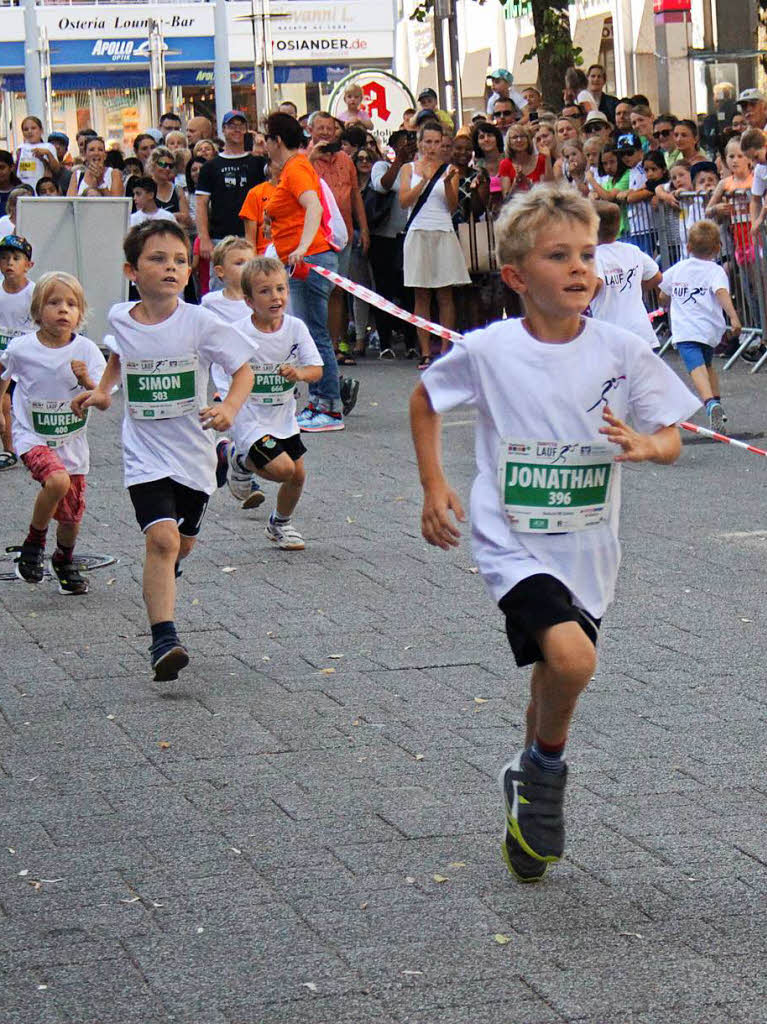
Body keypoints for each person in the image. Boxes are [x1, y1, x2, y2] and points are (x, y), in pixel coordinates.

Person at [409, 183, 699, 883]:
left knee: (556, 666)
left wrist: (643, 445)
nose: (579, 269)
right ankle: (545, 771)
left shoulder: (622, 351)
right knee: (570, 660)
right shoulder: (488, 350)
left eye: (587, 254)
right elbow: (424, 399)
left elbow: (672, 437)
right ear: (514, 276)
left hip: (589, 545)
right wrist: (434, 485)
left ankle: (528, 777)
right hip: (509, 537)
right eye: (557, 255)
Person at [71, 220, 257, 681]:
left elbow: (244, 370)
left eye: (178, 260)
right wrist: (102, 391)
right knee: (162, 539)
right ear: (131, 270)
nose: (170, 268)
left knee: (182, 544)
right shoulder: (119, 316)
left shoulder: (201, 321)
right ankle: (164, 640)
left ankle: (163, 582)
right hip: (145, 454)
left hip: (195, 454)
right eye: (157, 259)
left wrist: (230, 408)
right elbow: (119, 355)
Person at [0, 271, 105, 593]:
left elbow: (104, 399)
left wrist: (87, 382)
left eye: (71, 304)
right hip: (32, 436)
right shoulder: (21, 348)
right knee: (55, 480)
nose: (63, 310)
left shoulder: (86, 351)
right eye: (54, 302)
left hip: (72, 444)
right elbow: (4, 375)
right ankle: (34, 544)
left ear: (80, 313)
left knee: (71, 519)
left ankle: (63, 559)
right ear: (37, 311)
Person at [217, 257, 324, 551]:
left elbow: (317, 369)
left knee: (297, 476)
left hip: (283, 417)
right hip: (249, 417)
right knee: (283, 470)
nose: (275, 297)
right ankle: (240, 458)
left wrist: (299, 373)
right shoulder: (239, 332)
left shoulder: (296, 328)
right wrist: (225, 401)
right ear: (249, 300)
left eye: (281, 289)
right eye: (265, 291)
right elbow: (221, 368)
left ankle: (280, 524)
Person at [262, 112, 345, 432]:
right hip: (301, 261)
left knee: (315, 334)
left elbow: (314, 206)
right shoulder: (296, 167)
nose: (264, 145)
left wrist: (302, 246)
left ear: (277, 141)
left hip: (308, 262)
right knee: (310, 332)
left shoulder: (296, 168)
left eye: (267, 139)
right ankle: (318, 402)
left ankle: (330, 407)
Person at [399, 121, 469, 369]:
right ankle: (426, 351)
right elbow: (404, 202)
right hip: (418, 232)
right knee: (421, 293)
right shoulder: (409, 168)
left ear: (442, 144)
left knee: (445, 293)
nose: (431, 147)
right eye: (426, 142)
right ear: (419, 143)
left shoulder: (450, 170)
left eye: (436, 142)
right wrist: (423, 181)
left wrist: (450, 183)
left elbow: (452, 207)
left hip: (443, 231)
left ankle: (446, 349)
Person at [659, 219, 741, 432]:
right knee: (708, 365)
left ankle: (710, 404)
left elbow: (663, 293)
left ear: (688, 247)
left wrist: (665, 302)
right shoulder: (716, 271)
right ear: (717, 248)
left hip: (685, 329)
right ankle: (718, 405)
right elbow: (721, 293)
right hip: (709, 329)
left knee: (696, 368)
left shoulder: (678, 268)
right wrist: (733, 316)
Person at [308, 111, 369, 364]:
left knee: (338, 291)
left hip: (342, 234)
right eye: (319, 128)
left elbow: (355, 195)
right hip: (316, 236)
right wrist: (311, 158)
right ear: (310, 131)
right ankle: (315, 348)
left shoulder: (345, 159)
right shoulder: (303, 159)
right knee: (316, 292)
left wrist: (363, 228)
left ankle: (335, 346)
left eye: (329, 128)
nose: (325, 132)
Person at [196, 111, 266, 286]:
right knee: (221, 287)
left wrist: (264, 147)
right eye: (231, 126)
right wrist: (204, 238)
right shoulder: (210, 167)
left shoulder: (258, 163)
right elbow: (201, 204)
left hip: (252, 237)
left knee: (254, 286)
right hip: (221, 237)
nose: (237, 130)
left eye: (241, 126)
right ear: (223, 130)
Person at [369, 128, 418, 359]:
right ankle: (385, 342)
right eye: (402, 143)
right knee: (384, 290)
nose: (408, 146)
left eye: (411, 143)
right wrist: (398, 161)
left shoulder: (419, 168)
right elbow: (382, 186)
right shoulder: (381, 166)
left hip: (409, 235)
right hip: (384, 238)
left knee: (409, 291)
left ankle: (411, 341)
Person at [590, 201, 663, 349]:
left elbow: (596, 284)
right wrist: (635, 286)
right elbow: (656, 276)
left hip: (612, 332)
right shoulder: (632, 250)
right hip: (640, 329)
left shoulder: (594, 256)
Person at [0, 234, 35, 469]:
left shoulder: (35, 293)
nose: (9, 263)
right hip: (3, 358)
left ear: (28, 265)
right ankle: (9, 449)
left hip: (29, 357)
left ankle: (39, 443)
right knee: (3, 400)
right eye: (4, 258)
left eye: (16, 258)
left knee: (30, 401)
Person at [240, 161, 279, 256]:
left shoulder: (298, 191)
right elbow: (250, 240)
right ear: (269, 167)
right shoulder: (256, 193)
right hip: (264, 257)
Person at [147, 146, 192, 228]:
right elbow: (144, 219)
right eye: (163, 164)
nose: (167, 168)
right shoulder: (145, 188)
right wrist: (173, 216)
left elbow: (186, 220)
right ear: (153, 164)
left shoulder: (177, 189)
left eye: (170, 166)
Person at [500, 125, 552, 195]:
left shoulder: (541, 159)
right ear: (509, 141)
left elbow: (550, 187)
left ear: (528, 139)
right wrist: (516, 184)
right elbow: (506, 197)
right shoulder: (505, 164)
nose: (519, 140)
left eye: (522, 136)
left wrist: (548, 158)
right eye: (515, 137)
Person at [16, 117, 59, 191]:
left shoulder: (48, 146)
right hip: (24, 187)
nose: (29, 131)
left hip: (42, 188)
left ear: (41, 130)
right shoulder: (20, 148)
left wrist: (48, 154)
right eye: (26, 129)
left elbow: (56, 169)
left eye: (33, 128)